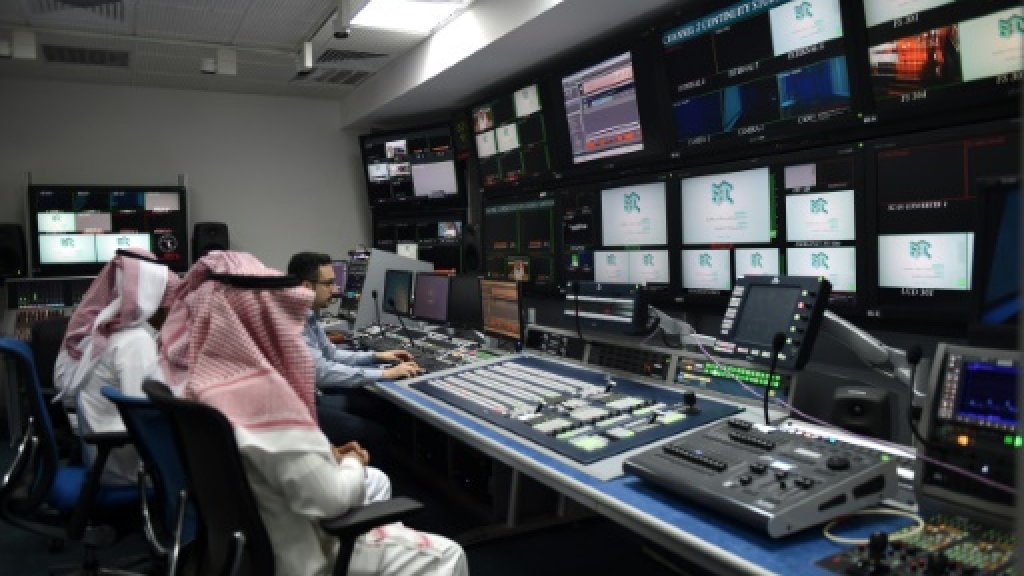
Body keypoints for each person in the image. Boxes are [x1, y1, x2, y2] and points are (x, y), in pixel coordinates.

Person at [157, 250, 467, 576]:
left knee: (377, 480)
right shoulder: (267, 400)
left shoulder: (207, 390)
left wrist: (330, 456)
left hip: (249, 543)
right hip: (308, 552)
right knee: (449, 554)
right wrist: (351, 462)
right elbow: (332, 499)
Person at [53, 248, 180, 484]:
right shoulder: (135, 342)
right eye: (166, 306)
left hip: (103, 453)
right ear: (150, 301)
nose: (170, 313)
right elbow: (146, 417)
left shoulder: (105, 332)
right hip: (124, 466)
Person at [287, 252, 422, 454]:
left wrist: (376, 357)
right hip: (300, 411)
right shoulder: (292, 321)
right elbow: (322, 372)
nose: (335, 289)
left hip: (310, 397)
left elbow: (331, 354)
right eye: (329, 284)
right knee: (376, 434)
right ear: (307, 287)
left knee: (378, 406)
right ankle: (371, 479)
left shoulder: (308, 314)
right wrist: (384, 373)